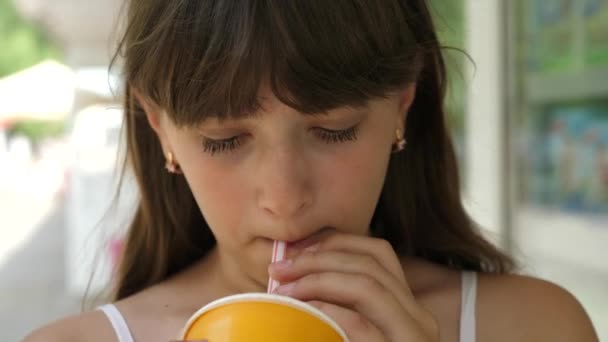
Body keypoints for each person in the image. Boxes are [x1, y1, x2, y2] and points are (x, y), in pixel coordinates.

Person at [25, 1, 599, 341]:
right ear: (160, 128)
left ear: (402, 104)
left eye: (334, 131)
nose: (285, 198)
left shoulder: (534, 325)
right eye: (225, 141)